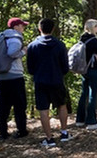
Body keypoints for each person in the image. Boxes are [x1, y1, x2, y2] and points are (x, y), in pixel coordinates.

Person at [26, 18, 71, 148]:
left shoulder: (33, 46)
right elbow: (65, 66)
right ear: (52, 29)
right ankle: (64, 133)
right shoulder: (59, 45)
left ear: (40, 29)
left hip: (40, 81)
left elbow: (30, 68)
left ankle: (49, 138)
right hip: (56, 79)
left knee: (43, 110)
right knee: (62, 105)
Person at [0, 17, 29, 141]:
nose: (23, 28)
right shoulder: (15, 38)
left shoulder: (2, 37)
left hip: (2, 77)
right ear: (15, 27)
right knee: (19, 105)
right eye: (22, 25)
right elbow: (12, 53)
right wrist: (24, 52)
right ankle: (21, 130)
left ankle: (3, 132)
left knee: (4, 106)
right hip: (14, 76)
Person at [75, 19, 97, 130]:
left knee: (83, 93)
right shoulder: (94, 40)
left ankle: (80, 119)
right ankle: (91, 121)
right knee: (92, 93)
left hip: (83, 69)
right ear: (93, 27)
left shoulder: (82, 38)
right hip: (92, 68)